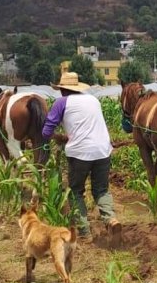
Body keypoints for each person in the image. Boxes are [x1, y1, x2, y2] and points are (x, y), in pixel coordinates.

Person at [42, 72, 121, 239]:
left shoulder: (61, 102)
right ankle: (111, 219)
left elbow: (46, 131)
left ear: (63, 89)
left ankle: (85, 232)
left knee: (76, 191)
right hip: (102, 150)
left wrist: (60, 138)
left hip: (79, 153)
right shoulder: (93, 100)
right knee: (101, 189)